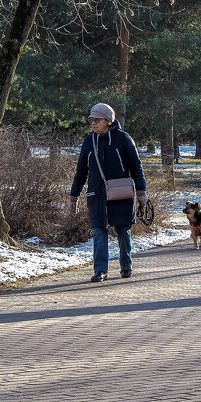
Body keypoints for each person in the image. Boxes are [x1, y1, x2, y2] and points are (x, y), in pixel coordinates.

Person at [70, 103, 148, 282]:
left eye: (97, 119)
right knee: (99, 231)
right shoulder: (89, 141)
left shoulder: (123, 139)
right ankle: (100, 271)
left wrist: (141, 191)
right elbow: (81, 171)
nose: (93, 123)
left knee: (123, 230)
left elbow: (136, 166)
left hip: (121, 193)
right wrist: (73, 197)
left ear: (109, 121)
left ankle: (126, 266)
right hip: (96, 194)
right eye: (91, 119)